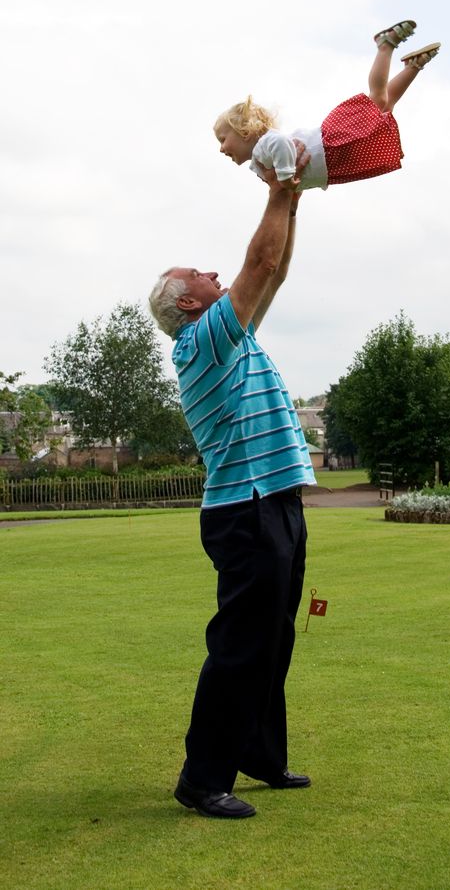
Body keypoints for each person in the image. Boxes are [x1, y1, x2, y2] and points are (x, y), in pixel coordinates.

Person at [148, 158, 315, 820]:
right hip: (243, 514)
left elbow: (274, 269)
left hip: (272, 502)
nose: (218, 276)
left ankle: (259, 754)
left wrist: (292, 202)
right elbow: (259, 265)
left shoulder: (232, 337)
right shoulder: (203, 342)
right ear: (188, 302)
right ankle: (202, 778)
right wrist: (277, 188)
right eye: (202, 276)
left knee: (274, 639)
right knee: (242, 646)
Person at [214, 20, 440, 191]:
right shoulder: (259, 161)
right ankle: (414, 66)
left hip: (330, 142)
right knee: (383, 108)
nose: (222, 148)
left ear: (245, 132)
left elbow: (281, 143)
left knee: (378, 101)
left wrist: (284, 178)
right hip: (334, 160)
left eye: (223, 139)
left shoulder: (264, 145)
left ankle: (385, 45)